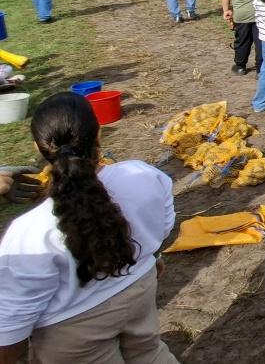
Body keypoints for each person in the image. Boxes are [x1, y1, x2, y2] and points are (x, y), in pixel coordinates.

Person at [0, 93, 176, 363]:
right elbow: (163, 228)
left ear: (38, 148)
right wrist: (152, 258)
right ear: (99, 136)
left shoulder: (29, 233)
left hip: (72, 331)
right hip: (139, 290)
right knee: (150, 353)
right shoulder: (144, 175)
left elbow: (10, 328)